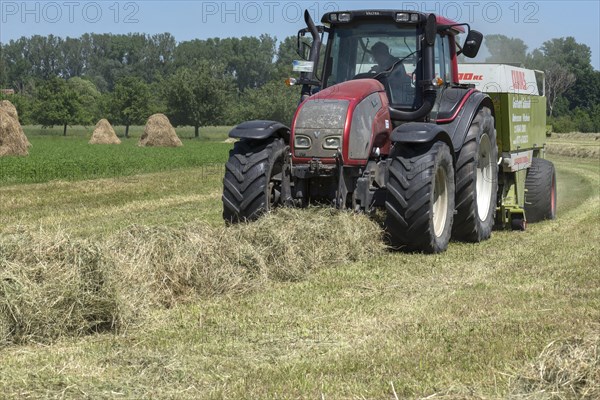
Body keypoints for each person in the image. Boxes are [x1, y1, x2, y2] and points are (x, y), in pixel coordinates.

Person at [370, 42, 414, 106]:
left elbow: (391, 80)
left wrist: (379, 71)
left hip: (398, 101)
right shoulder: (384, 65)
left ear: (382, 54)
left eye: (376, 56)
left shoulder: (396, 64)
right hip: (388, 96)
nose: (375, 59)